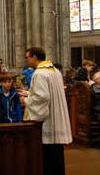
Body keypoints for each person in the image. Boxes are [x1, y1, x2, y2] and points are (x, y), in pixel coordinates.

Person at [23, 47, 72, 175]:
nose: (26, 60)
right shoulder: (55, 71)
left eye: (27, 57)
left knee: (48, 157)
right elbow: (49, 93)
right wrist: (29, 93)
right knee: (57, 155)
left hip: (48, 121)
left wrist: (26, 101)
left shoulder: (39, 73)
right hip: (57, 118)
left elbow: (42, 97)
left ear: (34, 57)